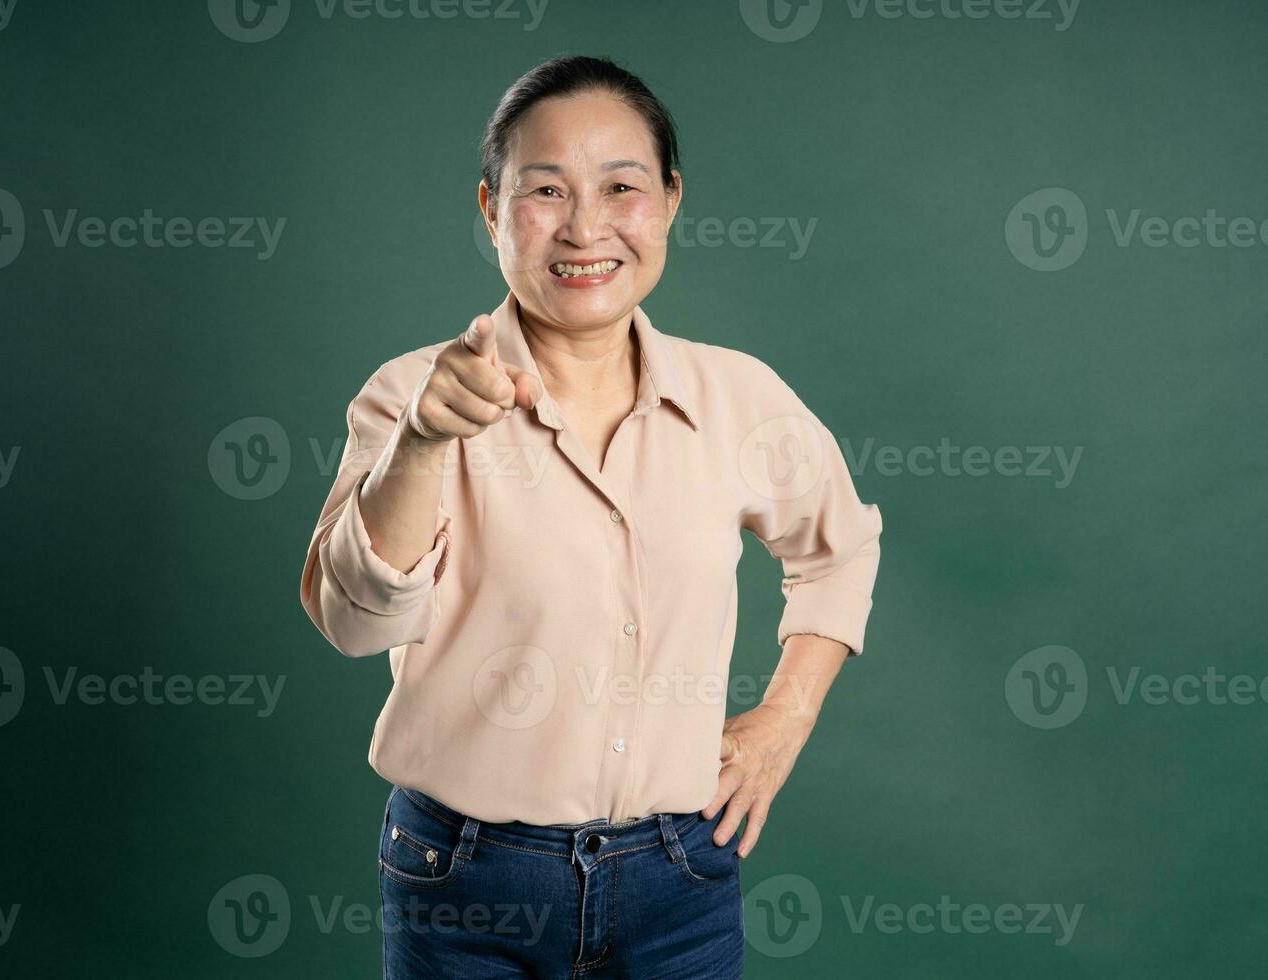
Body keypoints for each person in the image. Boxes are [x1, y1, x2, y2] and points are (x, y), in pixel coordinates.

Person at [299, 54, 883, 979]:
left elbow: (841, 550)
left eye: (621, 187)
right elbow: (352, 624)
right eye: (544, 190)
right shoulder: (409, 395)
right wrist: (421, 444)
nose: (585, 227)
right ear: (491, 209)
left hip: (681, 877)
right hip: (466, 879)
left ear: (670, 202)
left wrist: (785, 719)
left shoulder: (740, 397)